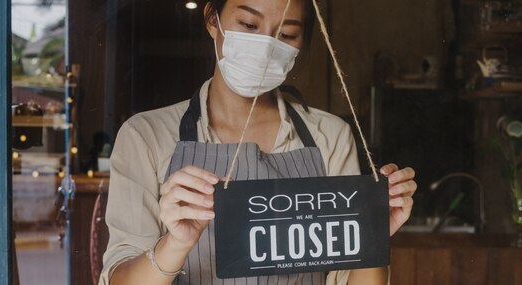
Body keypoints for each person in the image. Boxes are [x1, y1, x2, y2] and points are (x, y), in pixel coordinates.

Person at [100, 0, 417, 284]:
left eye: (286, 35)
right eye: (249, 25)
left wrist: (371, 235)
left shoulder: (330, 135)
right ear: (213, 21)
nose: (266, 48)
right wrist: (176, 244)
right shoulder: (146, 136)